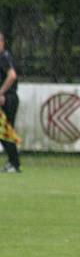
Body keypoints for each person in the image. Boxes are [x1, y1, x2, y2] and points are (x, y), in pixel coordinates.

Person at [0, 31, 21, 173]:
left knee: (5, 131)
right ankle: (13, 162)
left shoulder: (4, 57)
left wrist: (1, 92)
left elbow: (12, 76)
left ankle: (14, 163)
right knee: (5, 131)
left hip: (8, 98)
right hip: (7, 98)